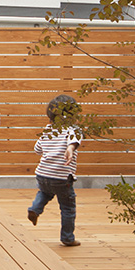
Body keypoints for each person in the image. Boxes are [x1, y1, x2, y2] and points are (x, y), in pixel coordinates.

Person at [28, 94, 82, 246]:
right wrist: (70, 149)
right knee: (68, 207)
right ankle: (67, 238)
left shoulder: (48, 130)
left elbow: (37, 149)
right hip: (61, 176)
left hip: (42, 173)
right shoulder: (73, 129)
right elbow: (74, 141)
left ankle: (35, 209)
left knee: (44, 193)